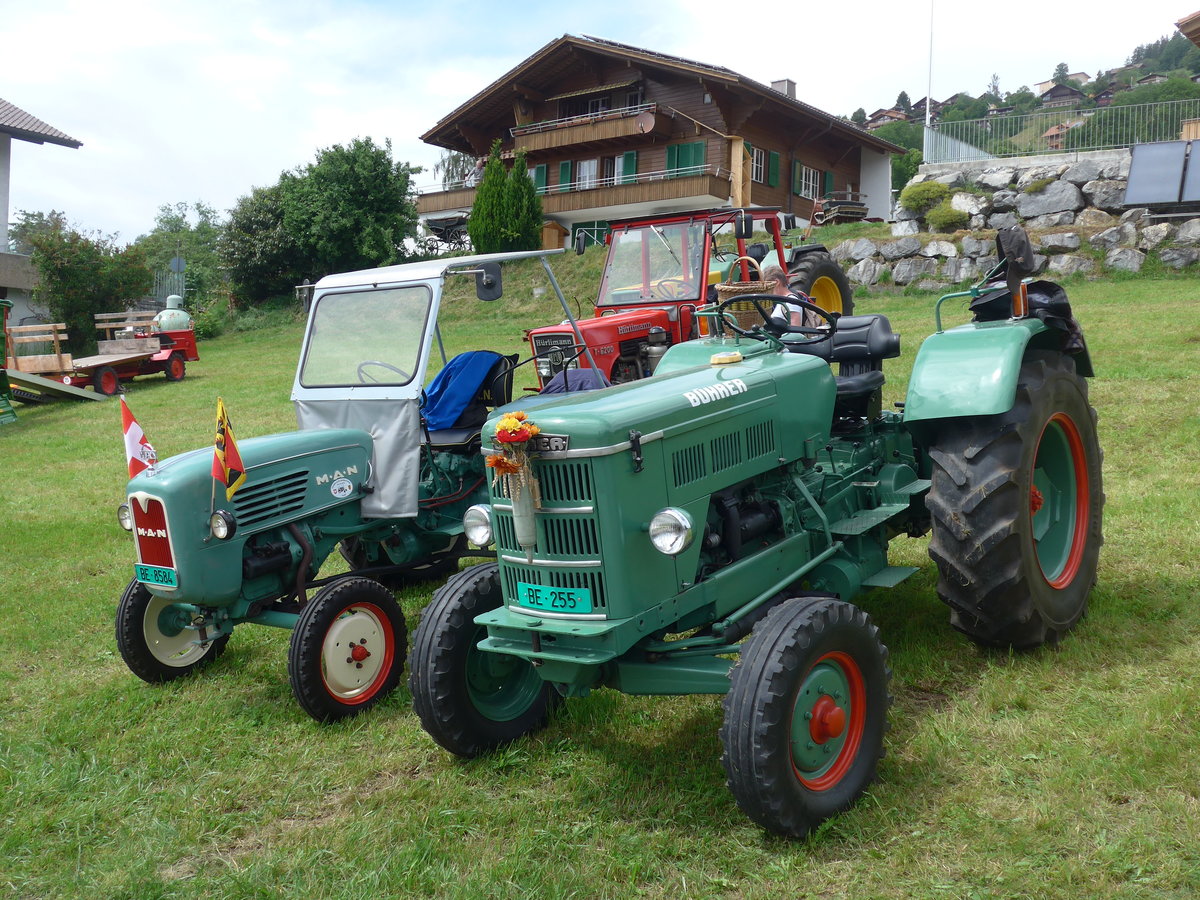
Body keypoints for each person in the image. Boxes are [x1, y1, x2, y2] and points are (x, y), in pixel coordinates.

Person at [762, 265, 823, 330]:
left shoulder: (791, 302)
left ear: (776, 282)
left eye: (767, 285)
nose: (767, 289)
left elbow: (795, 333)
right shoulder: (782, 302)